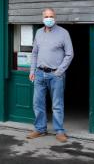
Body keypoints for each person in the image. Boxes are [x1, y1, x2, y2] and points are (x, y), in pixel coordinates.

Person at [26, 8, 74, 143]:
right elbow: (34, 53)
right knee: (37, 103)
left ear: (55, 17)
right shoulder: (38, 33)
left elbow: (70, 54)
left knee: (57, 104)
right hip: (39, 73)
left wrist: (59, 71)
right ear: (42, 18)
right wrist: (32, 71)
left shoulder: (63, 33)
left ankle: (59, 131)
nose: (49, 18)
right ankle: (40, 129)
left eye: (51, 16)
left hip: (55, 75)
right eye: (46, 16)